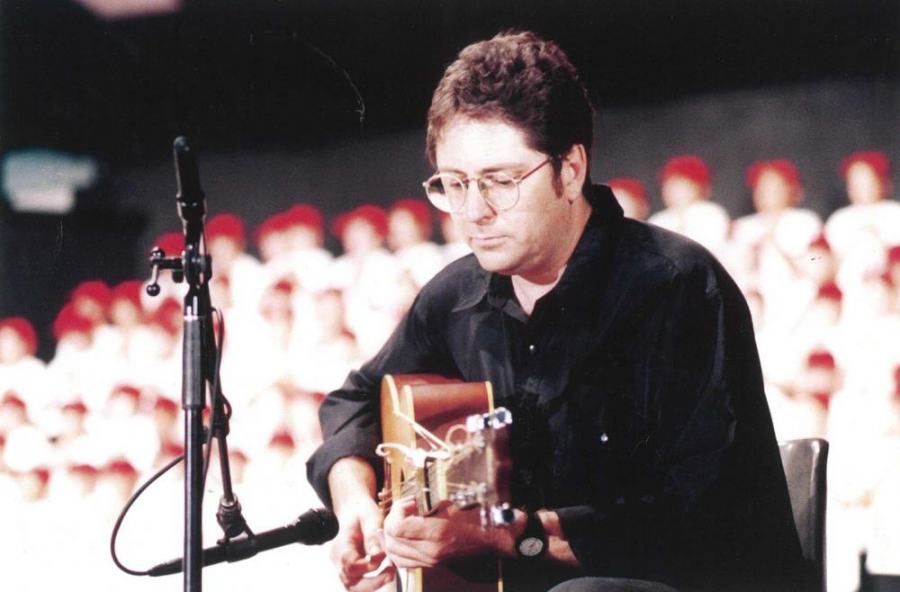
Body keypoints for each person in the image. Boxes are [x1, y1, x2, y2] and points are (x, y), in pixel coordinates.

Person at [306, 31, 807, 592]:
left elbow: (704, 524)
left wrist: (510, 535)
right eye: (453, 184)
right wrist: (359, 510)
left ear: (570, 170)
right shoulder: (456, 298)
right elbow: (353, 403)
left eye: (499, 181)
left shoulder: (676, 286)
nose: (473, 212)